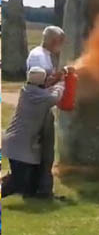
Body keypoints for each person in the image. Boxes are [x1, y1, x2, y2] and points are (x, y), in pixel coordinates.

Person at [1, 67, 65, 199]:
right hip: (19, 145)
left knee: (28, 187)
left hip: (18, 143)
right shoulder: (41, 97)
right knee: (17, 183)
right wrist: (62, 82)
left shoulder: (28, 90)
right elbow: (55, 96)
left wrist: (55, 80)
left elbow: (45, 90)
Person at [26, 25, 67, 199]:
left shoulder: (42, 55)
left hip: (41, 107)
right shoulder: (39, 57)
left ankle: (36, 188)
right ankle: (42, 190)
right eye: (60, 42)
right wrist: (60, 78)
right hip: (39, 109)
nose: (61, 46)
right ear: (53, 41)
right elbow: (39, 84)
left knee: (42, 151)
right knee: (45, 152)